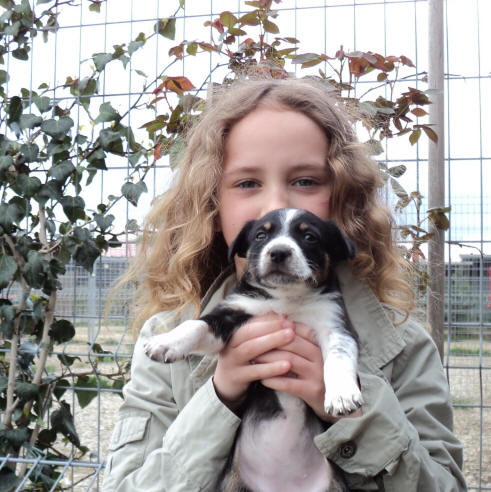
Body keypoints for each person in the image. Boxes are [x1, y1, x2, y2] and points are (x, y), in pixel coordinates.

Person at [102, 77, 466, 491]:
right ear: (212, 205)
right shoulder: (165, 340)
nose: (277, 205)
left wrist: (353, 417)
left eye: (305, 181)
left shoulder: (404, 346)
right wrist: (220, 397)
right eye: (247, 183)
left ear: (344, 199)